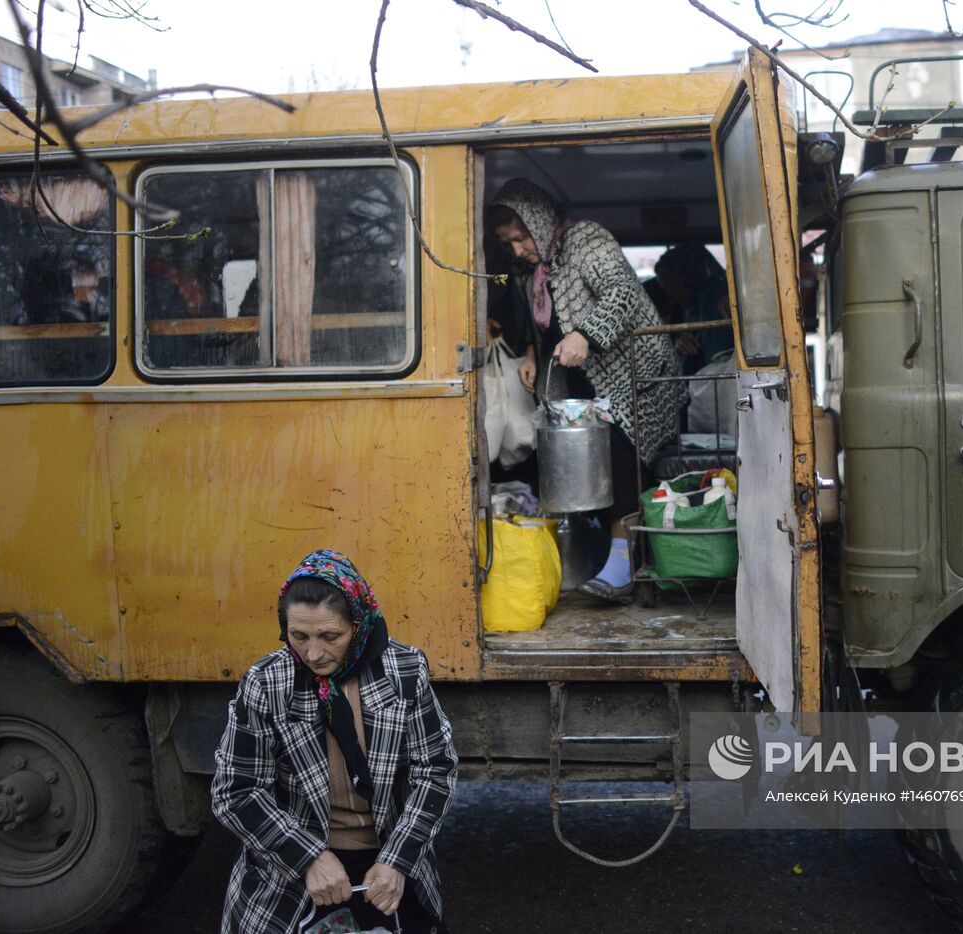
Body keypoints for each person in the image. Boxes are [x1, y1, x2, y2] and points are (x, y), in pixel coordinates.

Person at [212, 549, 458, 934]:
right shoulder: (267, 683)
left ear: (357, 625)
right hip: (291, 869)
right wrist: (308, 857)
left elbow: (436, 771)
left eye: (330, 636)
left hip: (386, 862)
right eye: (298, 636)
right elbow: (236, 791)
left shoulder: (405, 671)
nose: (313, 653)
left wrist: (397, 860)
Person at [486, 178, 685, 603]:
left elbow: (622, 292)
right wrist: (531, 353)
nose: (517, 250)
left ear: (539, 221)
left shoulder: (586, 239)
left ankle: (625, 566)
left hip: (635, 377)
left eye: (521, 238)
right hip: (586, 384)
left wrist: (587, 335)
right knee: (589, 469)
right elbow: (547, 325)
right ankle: (620, 558)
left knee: (621, 462)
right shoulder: (531, 273)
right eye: (509, 243)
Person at [653, 243, 734, 373]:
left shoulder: (722, 295)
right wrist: (679, 346)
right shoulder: (681, 311)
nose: (671, 294)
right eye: (666, 288)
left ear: (689, 277)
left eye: (673, 284)